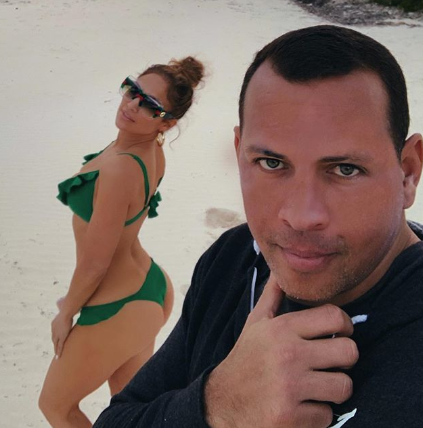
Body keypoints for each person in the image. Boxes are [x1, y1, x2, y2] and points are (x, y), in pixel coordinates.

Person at [93, 25, 423, 428]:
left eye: (345, 169)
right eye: (271, 163)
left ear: (407, 173)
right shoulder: (234, 258)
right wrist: (218, 406)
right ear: (239, 154)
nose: (301, 216)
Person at [38, 56, 205, 428]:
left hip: (119, 305)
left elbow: (96, 262)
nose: (131, 105)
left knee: (56, 406)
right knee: (129, 415)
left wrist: (66, 312)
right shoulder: (148, 151)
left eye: (149, 105)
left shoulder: (119, 169)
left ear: (167, 122)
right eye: (133, 91)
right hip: (147, 291)